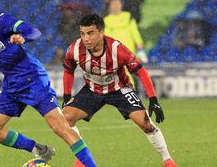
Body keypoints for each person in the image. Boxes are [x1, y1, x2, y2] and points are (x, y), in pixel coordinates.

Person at [0, 0, 97, 167]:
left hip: (32, 79)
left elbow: (34, 31)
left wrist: (23, 37)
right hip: (11, 84)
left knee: (60, 127)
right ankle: (40, 150)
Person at [62, 14, 178, 167]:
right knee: (65, 119)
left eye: (90, 33)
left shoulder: (117, 49)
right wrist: (66, 96)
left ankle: (168, 160)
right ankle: (82, 158)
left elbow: (141, 72)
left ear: (101, 32)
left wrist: (153, 99)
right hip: (92, 90)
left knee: (145, 124)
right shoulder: (75, 49)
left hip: (120, 89)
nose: (86, 39)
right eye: (82, 34)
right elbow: (68, 70)